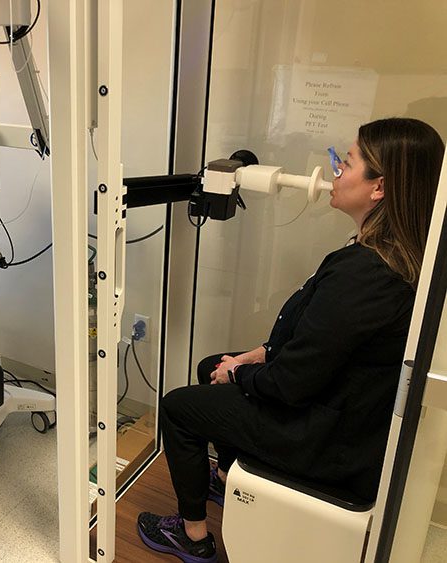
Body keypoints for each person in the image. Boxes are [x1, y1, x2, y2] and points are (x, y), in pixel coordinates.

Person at [137, 117, 445, 563]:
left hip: (324, 439)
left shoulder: (366, 275)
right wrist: (254, 355)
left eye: (347, 162)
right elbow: (320, 341)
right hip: (335, 406)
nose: (334, 169)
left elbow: (291, 384)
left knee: (180, 408)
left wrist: (242, 371)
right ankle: (225, 478)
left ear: (379, 188)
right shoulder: (383, 253)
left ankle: (194, 537)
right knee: (211, 364)